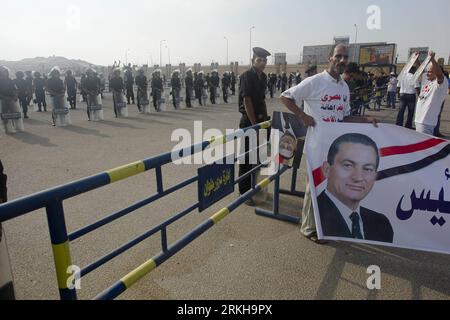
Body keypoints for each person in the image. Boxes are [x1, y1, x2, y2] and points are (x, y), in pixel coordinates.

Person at [280, 44, 378, 244]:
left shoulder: (343, 87)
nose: (342, 61)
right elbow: (286, 97)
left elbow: (346, 117)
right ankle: (308, 228)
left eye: (345, 58)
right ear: (330, 57)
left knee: (330, 187)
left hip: (336, 149)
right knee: (314, 186)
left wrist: (366, 120)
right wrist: (302, 115)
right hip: (316, 145)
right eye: (338, 56)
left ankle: (322, 225)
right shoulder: (315, 81)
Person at [318, 133, 394, 243]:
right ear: (327, 169)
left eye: (367, 169)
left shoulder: (382, 224)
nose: (358, 178)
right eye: (348, 165)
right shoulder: (316, 217)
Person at [238, 47, 271, 205]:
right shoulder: (247, 76)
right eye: (259, 60)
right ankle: (244, 193)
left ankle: (253, 185)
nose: (262, 63)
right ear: (253, 61)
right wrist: (255, 126)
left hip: (260, 122)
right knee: (246, 158)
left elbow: (261, 100)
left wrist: (264, 121)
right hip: (249, 123)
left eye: (264, 60)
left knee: (258, 158)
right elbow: (247, 101)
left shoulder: (263, 77)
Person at [414, 52, 449, 135]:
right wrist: (416, 59)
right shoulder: (427, 79)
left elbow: (440, 75)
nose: (427, 73)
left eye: (430, 72)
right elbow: (420, 69)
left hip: (427, 122)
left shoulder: (441, 83)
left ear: (436, 72)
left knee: (422, 145)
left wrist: (432, 59)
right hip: (419, 120)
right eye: (427, 71)